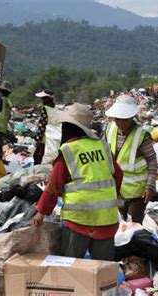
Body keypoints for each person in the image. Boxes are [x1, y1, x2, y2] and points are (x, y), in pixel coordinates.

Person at [33, 103, 122, 261]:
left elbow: (54, 185)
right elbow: (118, 174)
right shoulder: (103, 146)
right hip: (107, 219)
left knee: (72, 270)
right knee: (103, 270)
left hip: (78, 220)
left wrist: (41, 212)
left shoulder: (69, 150)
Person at [104, 95, 157, 223]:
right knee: (119, 224)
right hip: (116, 189)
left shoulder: (141, 135)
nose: (119, 123)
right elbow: (105, 154)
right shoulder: (110, 129)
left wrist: (150, 186)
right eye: (117, 119)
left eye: (124, 120)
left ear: (131, 118)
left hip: (137, 192)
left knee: (133, 226)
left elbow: (152, 161)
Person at [33, 90, 56, 165]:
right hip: (51, 136)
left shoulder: (45, 109)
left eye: (43, 98)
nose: (42, 100)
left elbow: (42, 125)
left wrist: (38, 139)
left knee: (37, 156)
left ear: (47, 99)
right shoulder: (54, 108)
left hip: (44, 138)